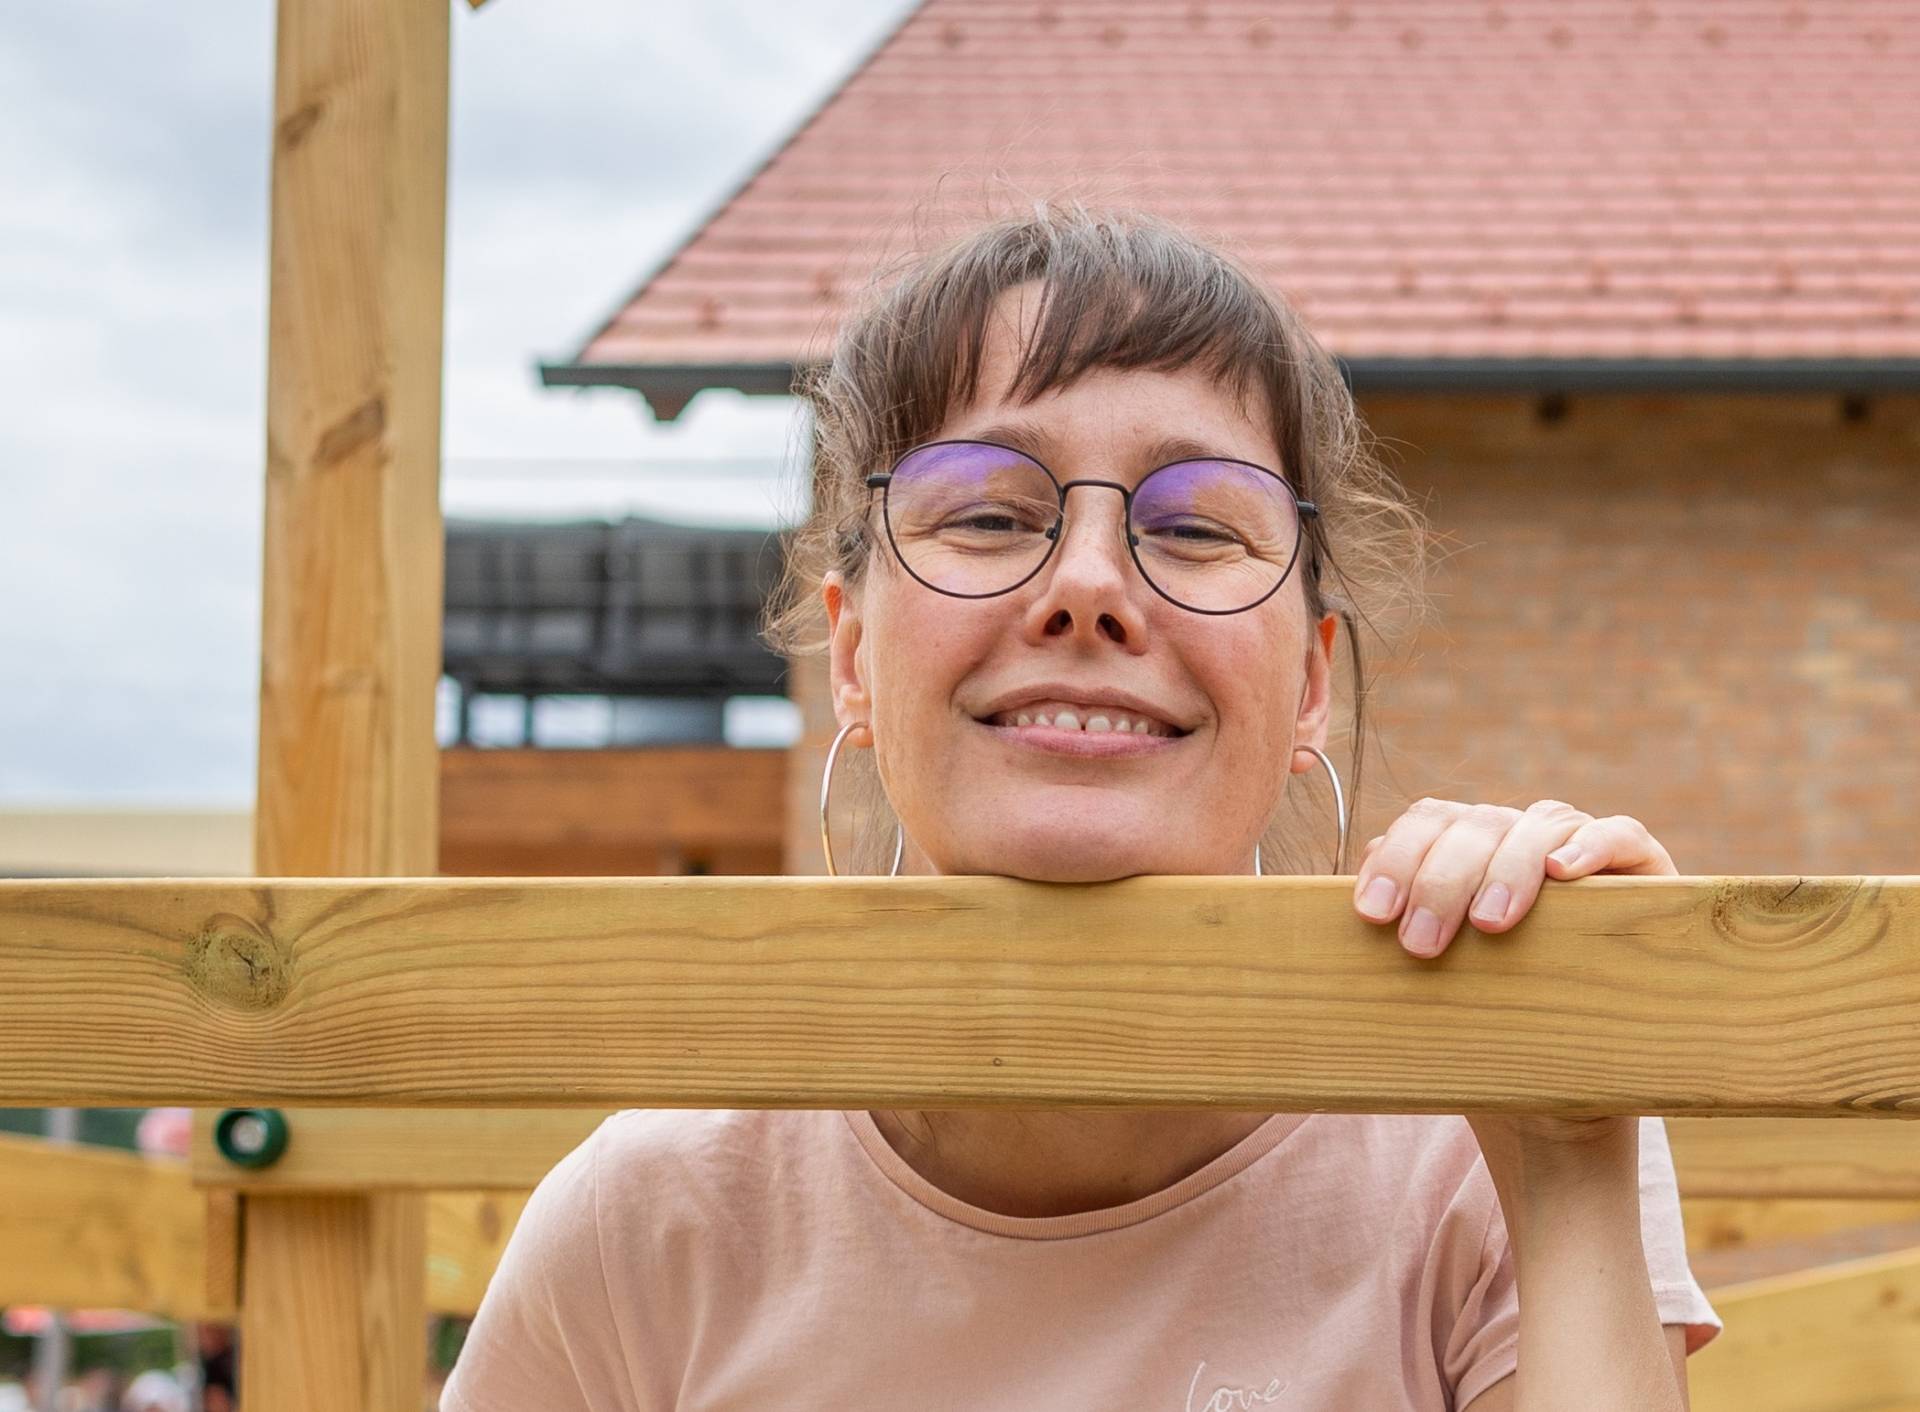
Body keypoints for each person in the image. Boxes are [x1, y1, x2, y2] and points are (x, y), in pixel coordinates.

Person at [441, 203, 1720, 1411]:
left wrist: (1567, 1163)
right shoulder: (646, 1218)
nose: (1092, 583)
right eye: (992, 512)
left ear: (1312, 679)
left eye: (1200, 530)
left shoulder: (1491, 1136)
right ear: (850, 659)